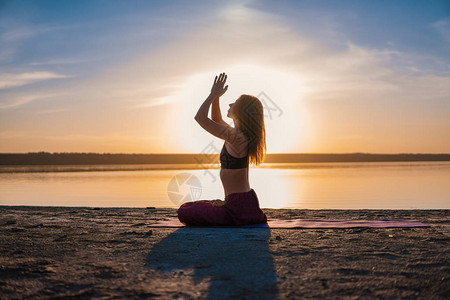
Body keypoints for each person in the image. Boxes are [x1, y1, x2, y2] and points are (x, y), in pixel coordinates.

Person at [177, 72, 268, 226]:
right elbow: (216, 120)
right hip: (237, 202)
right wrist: (217, 97)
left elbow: (200, 118)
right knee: (192, 206)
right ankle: (225, 207)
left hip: (237, 208)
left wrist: (213, 94)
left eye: (235, 103)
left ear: (242, 111)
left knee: (184, 211)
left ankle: (228, 210)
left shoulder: (237, 137)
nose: (230, 104)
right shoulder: (236, 135)